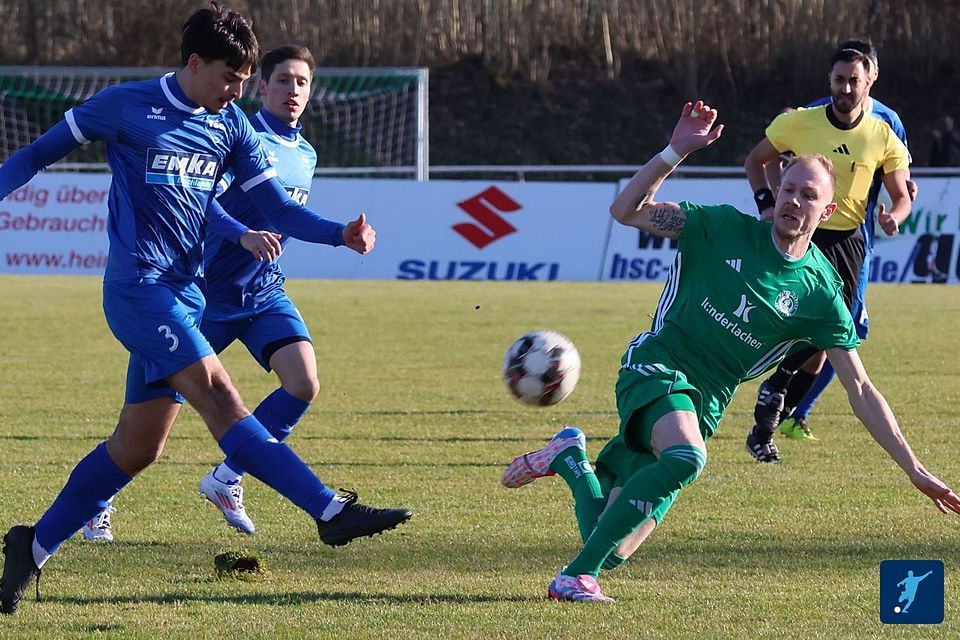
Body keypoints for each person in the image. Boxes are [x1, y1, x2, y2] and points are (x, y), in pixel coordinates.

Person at [0, 5, 411, 615]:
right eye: (230, 77)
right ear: (193, 63)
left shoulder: (232, 126)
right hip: (139, 290)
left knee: (138, 447)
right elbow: (36, 154)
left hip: (187, 297)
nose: (239, 90)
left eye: (246, 79)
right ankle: (328, 511)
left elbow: (275, 207)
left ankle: (31, 548)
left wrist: (337, 234)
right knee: (221, 396)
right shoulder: (125, 106)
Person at [501, 101, 960, 603]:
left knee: (610, 545)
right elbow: (624, 210)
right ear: (776, 190)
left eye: (809, 195)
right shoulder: (719, 226)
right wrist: (676, 150)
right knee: (685, 456)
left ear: (827, 211)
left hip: (705, 404)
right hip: (656, 364)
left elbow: (862, 389)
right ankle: (572, 579)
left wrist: (914, 468)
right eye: (788, 188)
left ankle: (571, 460)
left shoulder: (821, 292)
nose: (794, 201)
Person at [81, 43, 341, 541]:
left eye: (301, 82)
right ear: (261, 86)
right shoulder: (232, 133)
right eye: (282, 80)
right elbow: (199, 198)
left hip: (262, 293)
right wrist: (239, 233)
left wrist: (339, 233)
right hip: (204, 292)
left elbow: (287, 216)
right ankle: (97, 501)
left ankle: (228, 477)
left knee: (303, 382)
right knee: (151, 424)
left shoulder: (306, 153)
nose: (292, 90)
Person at [742, 45, 913, 463]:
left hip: (851, 242)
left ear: (869, 82)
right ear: (829, 80)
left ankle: (769, 414)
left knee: (831, 338)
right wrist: (766, 203)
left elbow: (902, 194)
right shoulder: (801, 121)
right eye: (839, 80)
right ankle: (773, 399)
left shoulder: (882, 133)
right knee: (811, 329)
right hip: (806, 236)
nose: (845, 88)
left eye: (854, 80)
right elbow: (755, 160)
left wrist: (896, 216)